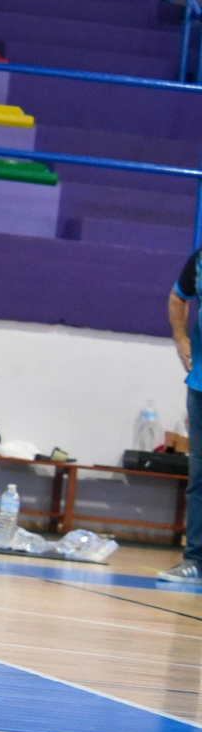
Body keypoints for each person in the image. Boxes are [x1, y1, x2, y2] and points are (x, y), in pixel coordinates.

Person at [163, 249, 202, 582]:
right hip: (201, 386)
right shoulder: (200, 259)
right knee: (199, 477)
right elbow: (178, 297)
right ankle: (195, 561)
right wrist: (180, 338)